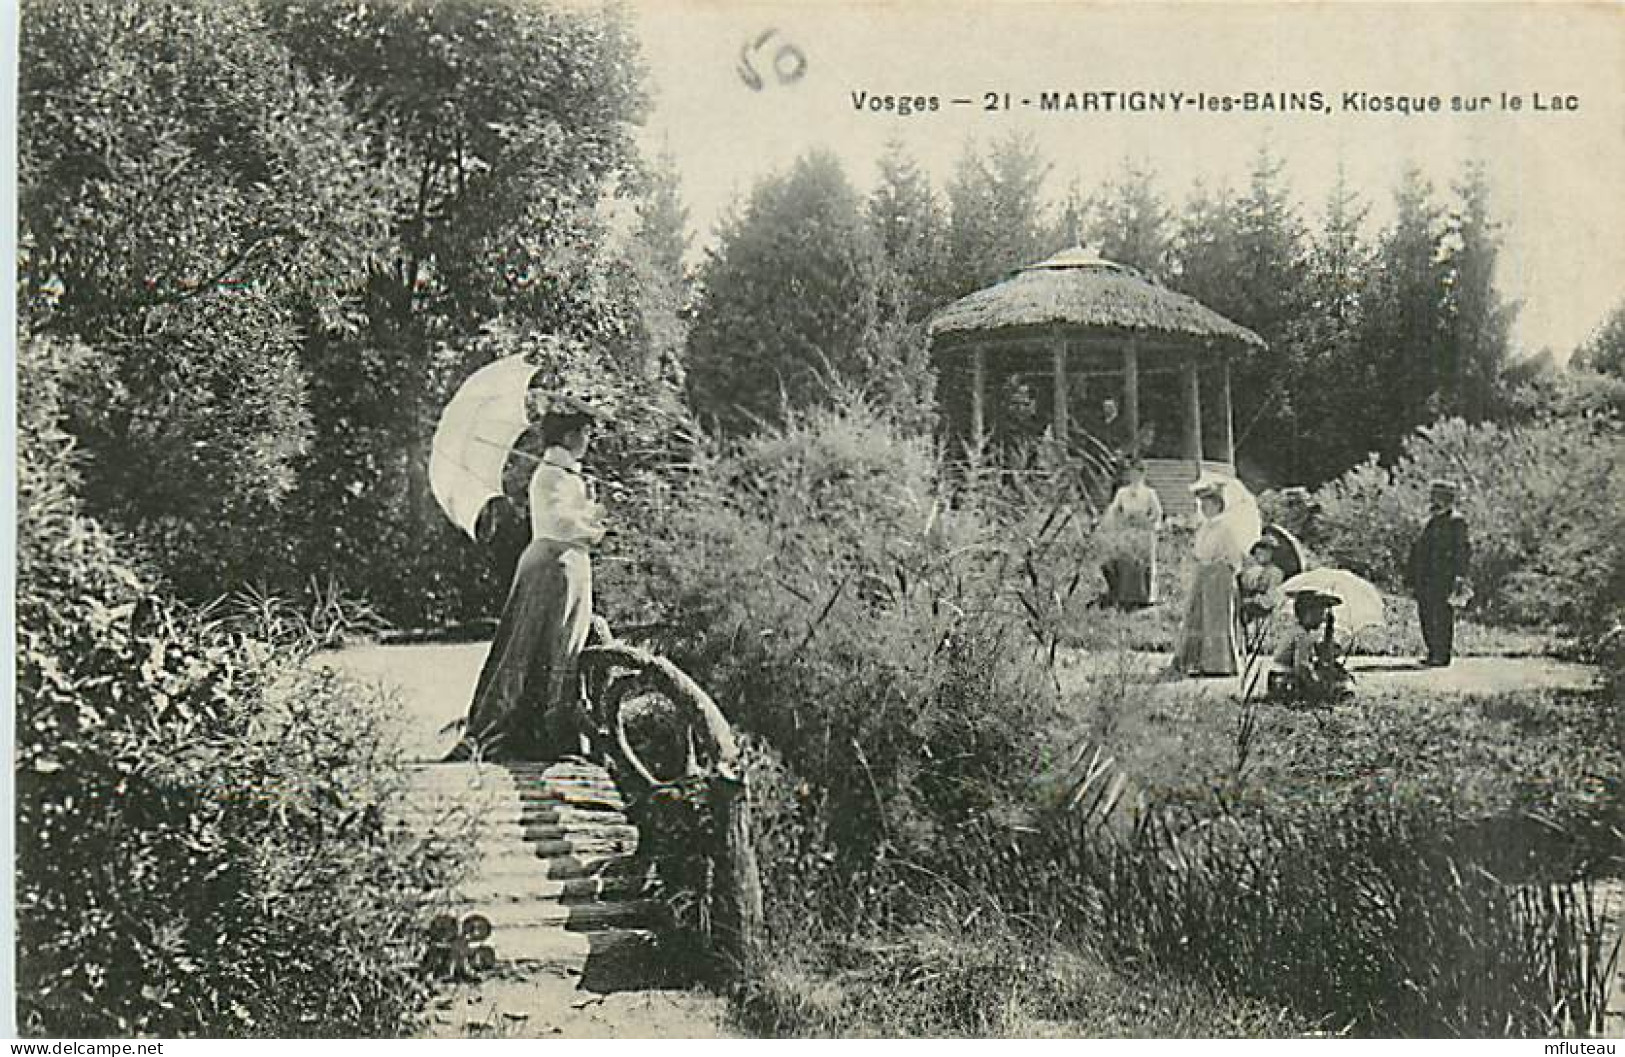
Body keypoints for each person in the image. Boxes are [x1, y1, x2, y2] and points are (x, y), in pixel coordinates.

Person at [449, 400, 607, 761]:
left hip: (566, 564)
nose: (589, 440)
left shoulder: (567, 475)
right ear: (568, 436)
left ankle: (545, 732)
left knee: (562, 646)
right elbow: (561, 525)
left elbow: (570, 517)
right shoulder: (551, 474)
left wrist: (591, 508)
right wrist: (596, 525)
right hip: (554, 565)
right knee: (538, 645)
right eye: (585, 433)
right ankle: (522, 732)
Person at [1171, 477, 1254, 677]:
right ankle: (1196, 661)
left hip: (1219, 576)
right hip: (1204, 573)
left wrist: (1222, 569)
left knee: (1216, 619)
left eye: (1208, 504)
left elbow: (1234, 556)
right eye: (1202, 505)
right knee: (1198, 615)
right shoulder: (1204, 528)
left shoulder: (1226, 528)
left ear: (1218, 505)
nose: (1204, 508)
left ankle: (1219, 664)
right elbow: (1199, 552)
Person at [1406, 479, 1471, 668]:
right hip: (1426, 577)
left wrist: (1460, 576)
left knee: (1442, 615)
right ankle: (1432, 651)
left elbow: (1462, 551)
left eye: (1437, 496)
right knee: (1425, 614)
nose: (1433, 500)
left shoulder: (1456, 521)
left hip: (1444, 577)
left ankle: (1442, 654)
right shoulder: (1431, 521)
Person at [1267, 589, 1352, 706]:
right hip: (1286, 684)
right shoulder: (1302, 636)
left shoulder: (1295, 630)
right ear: (1307, 613)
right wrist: (1317, 687)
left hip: (1276, 680)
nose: (1323, 619)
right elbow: (1301, 667)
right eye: (1320, 613)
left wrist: (1329, 633)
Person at [1099, 461, 1163, 609]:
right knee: (1126, 562)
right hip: (1127, 531)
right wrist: (1118, 522)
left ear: (1142, 475)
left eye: (1137, 474)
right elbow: (1113, 510)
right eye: (1131, 473)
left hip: (1143, 532)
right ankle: (1126, 596)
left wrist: (1147, 522)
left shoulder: (1149, 493)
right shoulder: (1122, 492)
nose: (1134, 476)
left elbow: (1157, 513)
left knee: (1142, 564)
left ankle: (1144, 597)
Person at [1237, 537, 1286, 630]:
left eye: (1268, 550)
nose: (1260, 552)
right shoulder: (1247, 565)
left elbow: (1271, 598)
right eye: (1260, 548)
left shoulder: (1275, 572)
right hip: (1239, 610)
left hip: (1259, 615)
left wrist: (1253, 600)